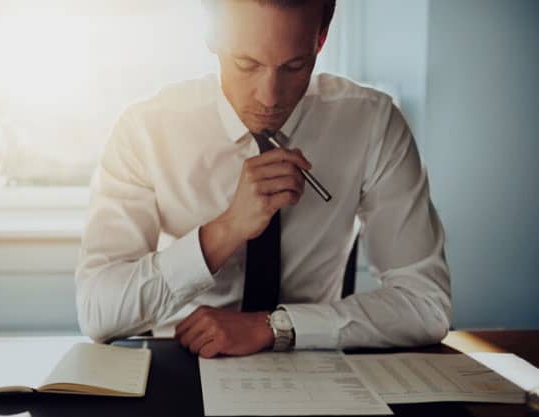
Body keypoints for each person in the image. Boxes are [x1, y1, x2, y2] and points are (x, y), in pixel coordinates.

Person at [75, 0, 451, 357]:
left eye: (294, 66)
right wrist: (224, 231)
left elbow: (426, 303)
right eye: (246, 63)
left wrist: (274, 327)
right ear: (213, 34)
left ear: (321, 38)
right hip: (180, 364)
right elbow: (98, 311)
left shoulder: (372, 123)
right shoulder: (145, 130)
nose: (269, 97)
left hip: (312, 366)